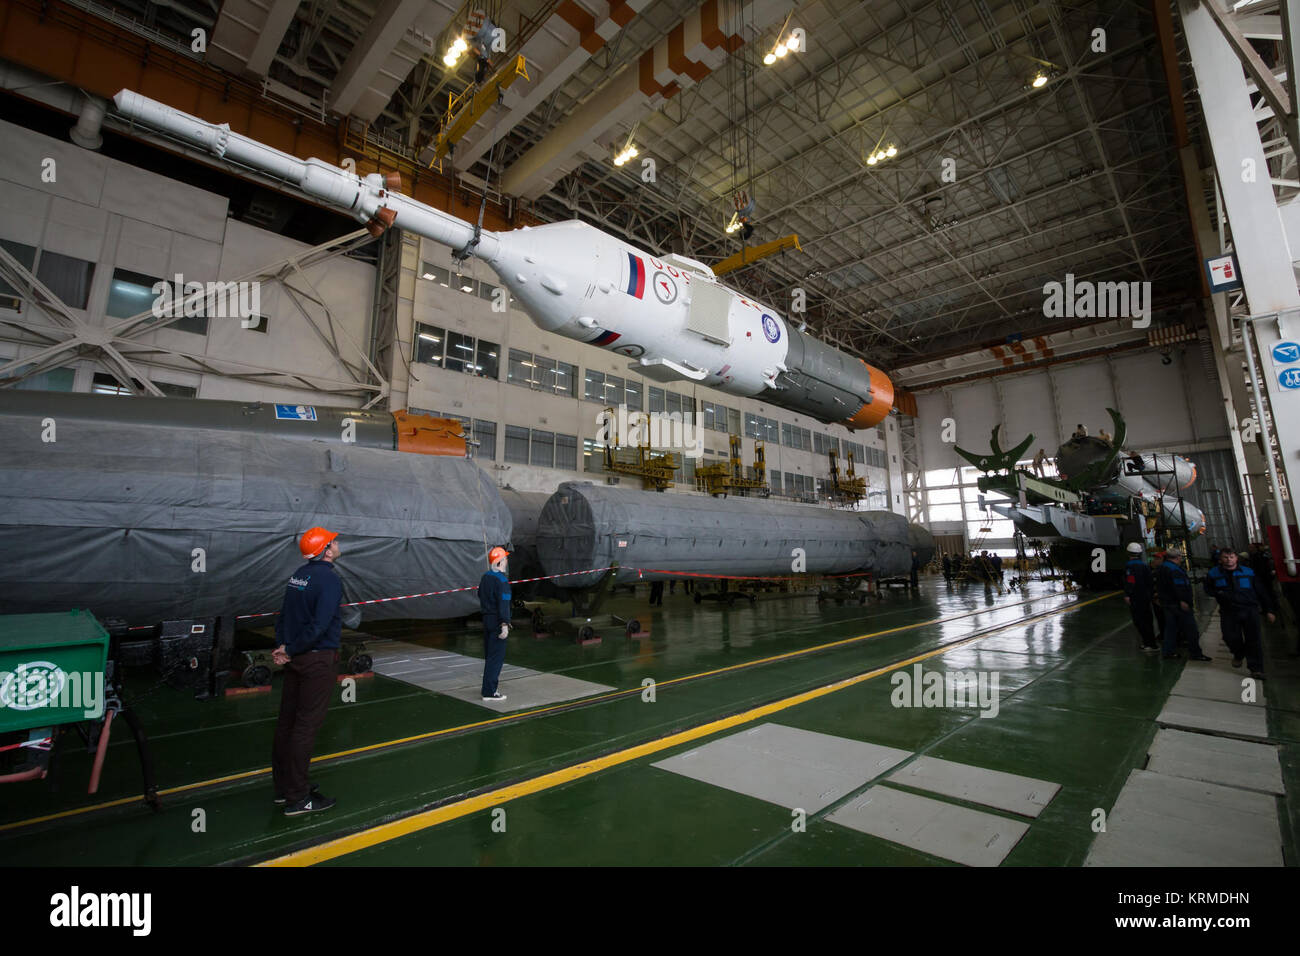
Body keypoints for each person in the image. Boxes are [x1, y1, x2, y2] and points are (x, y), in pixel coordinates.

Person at [272, 526, 344, 816]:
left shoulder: (299, 575)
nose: (337, 544)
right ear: (326, 550)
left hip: (296, 658)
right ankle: (298, 798)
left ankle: (284, 788)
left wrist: (284, 646)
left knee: (287, 724)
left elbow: (285, 614)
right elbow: (320, 625)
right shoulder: (329, 580)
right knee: (305, 728)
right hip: (316, 660)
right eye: (333, 542)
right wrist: (290, 648)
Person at [1204, 548, 1276, 677]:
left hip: (1249, 610)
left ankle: (1256, 669)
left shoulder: (1248, 572)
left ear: (1236, 558)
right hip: (1229, 611)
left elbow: (1261, 592)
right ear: (1220, 560)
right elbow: (1208, 588)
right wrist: (1218, 593)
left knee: (1254, 639)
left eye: (1231, 557)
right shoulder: (1213, 573)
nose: (1229, 560)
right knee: (1229, 637)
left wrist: (1269, 610)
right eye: (1225, 557)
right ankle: (1238, 653)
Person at [1156, 548, 1210, 661]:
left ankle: (1168, 652)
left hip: (1167, 603)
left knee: (1170, 629)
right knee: (1191, 629)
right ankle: (1195, 653)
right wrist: (1183, 601)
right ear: (1178, 557)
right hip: (1178, 605)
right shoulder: (1174, 570)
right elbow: (1179, 587)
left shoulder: (1162, 567)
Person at [479, 546, 513, 701]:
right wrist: (504, 624)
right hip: (497, 621)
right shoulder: (502, 580)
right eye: (505, 559)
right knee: (496, 658)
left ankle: (487, 688)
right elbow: (503, 603)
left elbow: (480, 594)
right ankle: (490, 692)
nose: (506, 562)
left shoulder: (485, 577)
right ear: (499, 562)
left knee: (489, 656)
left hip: (486, 620)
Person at [1122, 542, 1158, 651]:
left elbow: (1130, 581)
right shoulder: (1145, 565)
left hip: (1136, 597)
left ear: (1128, 553)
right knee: (1147, 619)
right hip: (1145, 597)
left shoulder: (1130, 566)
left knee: (1140, 621)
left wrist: (1128, 594)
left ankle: (1149, 644)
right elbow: (1150, 582)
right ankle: (1150, 642)